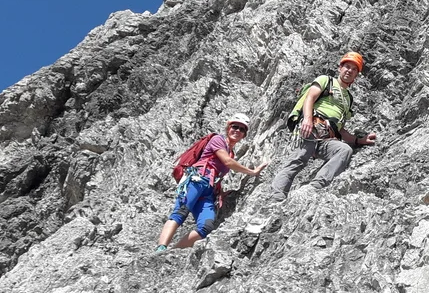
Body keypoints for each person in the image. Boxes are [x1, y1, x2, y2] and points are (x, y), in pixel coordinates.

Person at [269, 52, 378, 202]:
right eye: (347, 66)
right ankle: (276, 197)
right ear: (340, 68)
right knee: (298, 159)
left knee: (344, 150)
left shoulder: (348, 99)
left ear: (356, 75)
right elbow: (310, 98)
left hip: (328, 136)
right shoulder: (325, 80)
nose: (349, 70)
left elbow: (340, 129)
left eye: (354, 69)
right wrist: (307, 119)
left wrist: (359, 141)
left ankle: (315, 187)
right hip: (311, 128)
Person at [155, 113, 268, 251]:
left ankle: (172, 252)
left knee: (206, 227)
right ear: (228, 128)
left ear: (244, 134)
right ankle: (161, 248)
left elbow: (219, 172)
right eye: (235, 126)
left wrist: (220, 192)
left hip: (208, 190)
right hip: (196, 179)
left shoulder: (231, 152)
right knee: (181, 212)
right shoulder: (217, 140)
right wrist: (253, 172)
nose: (237, 130)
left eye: (242, 129)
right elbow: (227, 162)